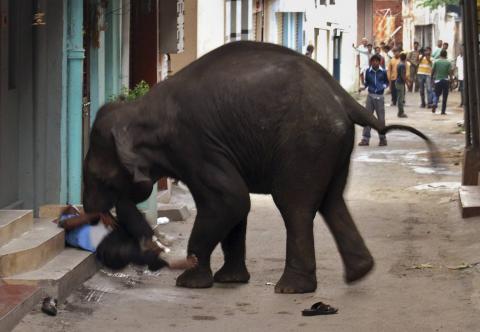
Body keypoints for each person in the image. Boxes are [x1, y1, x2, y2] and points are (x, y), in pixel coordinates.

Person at [56, 205, 197, 271]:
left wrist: (103, 216)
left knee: (127, 211)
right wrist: (96, 213)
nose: (77, 209)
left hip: (114, 238)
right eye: (74, 209)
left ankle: (149, 242)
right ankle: (164, 261)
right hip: (106, 250)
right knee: (127, 251)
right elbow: (66, 224)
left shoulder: (93, 221)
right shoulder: (69, 220)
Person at [358, 54, 389, 147]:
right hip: (370, 96)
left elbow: (386, 82)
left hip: (379, 96)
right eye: (373, 61)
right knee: (367, 117)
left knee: (381, 119)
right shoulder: (368, 71)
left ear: (379, 62)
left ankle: (382, 139)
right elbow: (367, 83)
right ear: (371, 62)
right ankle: (365, 139)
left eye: (377, 61)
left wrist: (383, 87)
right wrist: (363, 87)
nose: (375, 62)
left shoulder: (383, 72)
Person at [431, 50, 453, 114]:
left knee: (436, 94)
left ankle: (434, 103)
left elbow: (433, 70)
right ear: (446, 55)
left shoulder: (436, 62)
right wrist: (451, 79)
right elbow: (450, 72)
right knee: (445, 97)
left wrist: (431, 77)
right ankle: (443, 111)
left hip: (438, 80)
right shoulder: (448, 63)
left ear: (440, 54)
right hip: (445, 81)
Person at [396, 53, 409, 118]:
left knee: (399, 98)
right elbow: (402, 75)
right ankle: (401, 112)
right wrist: (407, 82)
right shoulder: (402, 65)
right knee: (400, 98)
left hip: (398, 82)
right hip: (400, 83)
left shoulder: (399, 64)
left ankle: (400, 112)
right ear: (405, 58)